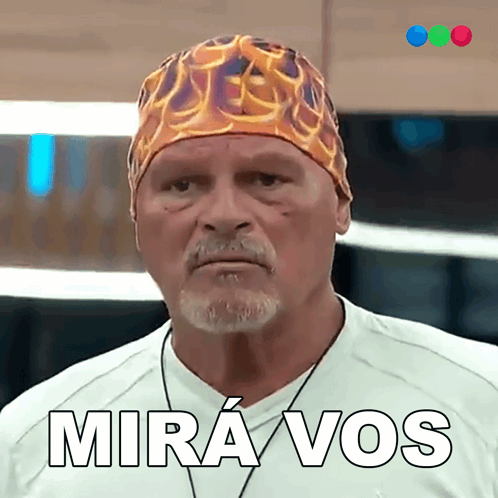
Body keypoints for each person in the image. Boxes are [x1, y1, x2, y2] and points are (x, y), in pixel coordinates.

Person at [0, 34, 497, 498]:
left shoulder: (480, 407)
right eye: (182, 185)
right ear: (137, 217)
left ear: (340, 203)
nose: (223, 215)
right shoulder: (33, 444)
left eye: (265, 179)